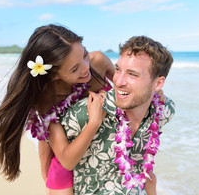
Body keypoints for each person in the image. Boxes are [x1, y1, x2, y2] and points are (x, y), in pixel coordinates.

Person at [0, 24, 115, 195]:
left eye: (85, 54)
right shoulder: (47, 99)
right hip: (68, 158)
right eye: (74, 69)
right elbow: (62, 155)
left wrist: (155, 94)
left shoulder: (99, 62)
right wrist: (94, 122)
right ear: (54, 75)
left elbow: (130, 89)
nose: (86, 67)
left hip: (109, 154)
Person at [60, 35, 175, 194]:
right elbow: (57, 159)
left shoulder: (164, 111)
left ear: (158, 83)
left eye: (132, 74)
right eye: (118, 69)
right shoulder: (84, 113)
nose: (118, 81)